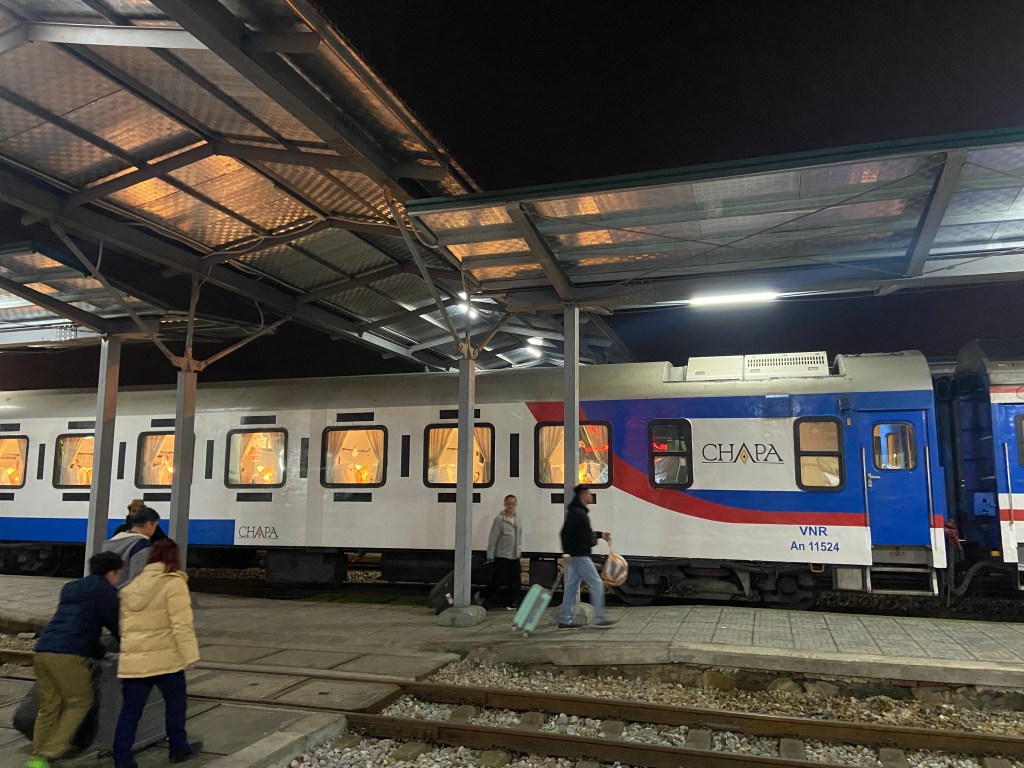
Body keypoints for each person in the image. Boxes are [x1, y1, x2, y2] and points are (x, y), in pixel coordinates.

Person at [26, 552, 123, 768]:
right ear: (112, 572)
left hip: (43, 649)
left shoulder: (71, 587)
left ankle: (37, 755)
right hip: (67, 654)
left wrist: (98, 651)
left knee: (49, 705)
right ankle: (50, 753)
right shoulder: (106, 591)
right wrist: (125, 646)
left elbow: (81, 622)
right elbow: (114, 625)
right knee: (80, 700)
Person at [114, 538, 201, 767]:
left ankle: (122, 759)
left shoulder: (132, 586)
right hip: (165, 660)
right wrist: (190, 655)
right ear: (174, 558)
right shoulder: (174, 583)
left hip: (134, 663)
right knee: (175, 705)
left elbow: (123, 628)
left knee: (130, 713)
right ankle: (178, 748)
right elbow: (181, 624)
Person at [557, 484, 616, 629]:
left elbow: (584, 534)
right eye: (589, 493)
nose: (591, 495)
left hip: (577, 555)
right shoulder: (577, 513)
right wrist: (567, 552)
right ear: (583, 495)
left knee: (571, 588)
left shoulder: (578, 512)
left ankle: (565, 620)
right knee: (596, 583)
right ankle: (600, 617)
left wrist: (601, 535)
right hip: (580, 556)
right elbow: (565, 533)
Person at [477, 495, 523, 610]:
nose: (510, 506)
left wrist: (519, 551)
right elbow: (493, 537)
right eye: (508, 503)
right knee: (498, 581)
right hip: (502, 556)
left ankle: (513, 603)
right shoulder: (499, 519)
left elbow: (519, 537)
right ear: (504, 504)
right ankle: (482, 597)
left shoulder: (518, 519)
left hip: (514, 556)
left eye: (512, 503)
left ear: (516, 504)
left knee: (516, 581)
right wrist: (490, 554)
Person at [102, 506, 161, 589]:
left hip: (106, 593)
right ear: (148, 525)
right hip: (125, 596)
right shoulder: (142, 546)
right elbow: (138, 579)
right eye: (155, 526)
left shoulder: (112, 541)